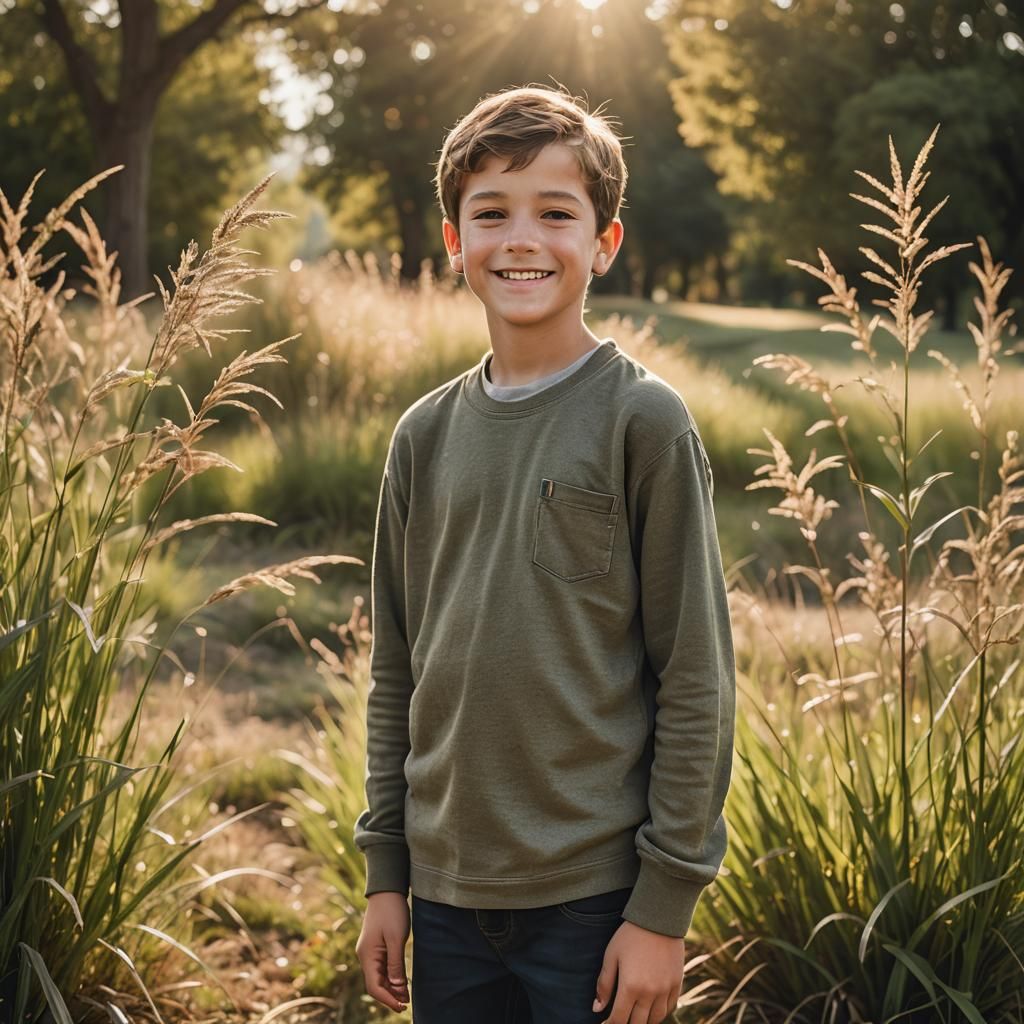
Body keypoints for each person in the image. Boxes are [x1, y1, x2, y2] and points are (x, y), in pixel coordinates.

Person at [353, 83, 736, 1024]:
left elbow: (696, 677)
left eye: (555, 213)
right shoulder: (423, 435)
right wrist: (386, 874)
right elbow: (397, 668)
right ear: (455, 242)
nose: (521, 238)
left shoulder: (642, 421)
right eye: (491, 213)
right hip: (445, 898)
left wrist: (663, 910)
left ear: (603, 243)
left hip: (594, 903)